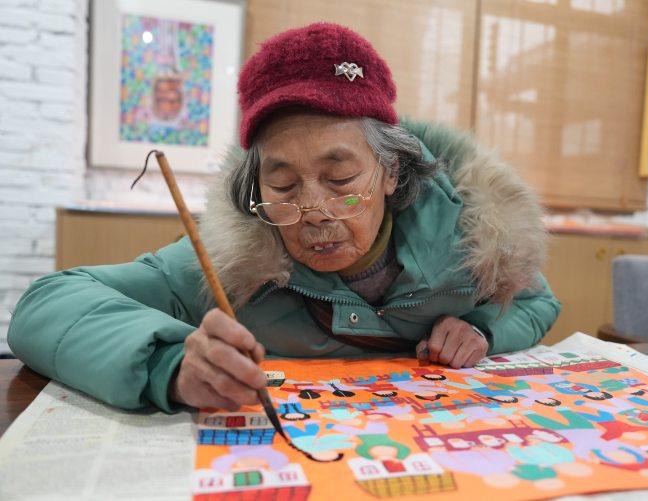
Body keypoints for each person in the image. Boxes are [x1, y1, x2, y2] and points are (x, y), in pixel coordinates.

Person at [8, 22, 560, 414]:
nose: (313, 213)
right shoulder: (235, 264)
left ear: (391, 172)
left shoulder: (471, 237)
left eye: (340, 179)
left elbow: (537, 302)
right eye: (283, 185)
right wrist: (169, 365)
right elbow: (46, 306)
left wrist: (482, 329)